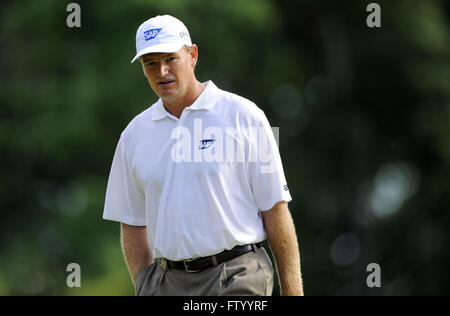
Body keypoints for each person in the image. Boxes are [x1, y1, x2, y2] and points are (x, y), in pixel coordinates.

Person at [103, 14, 304, 296]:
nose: (162, 72)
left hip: (238, 273)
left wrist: (293, 292)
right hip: (166, 282)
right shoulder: (133, 135)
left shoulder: (245, 116)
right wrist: (145, 286)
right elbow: (133, 222)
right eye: (151, 63)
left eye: (170, 59)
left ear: (192, 55)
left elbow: (275, 209)